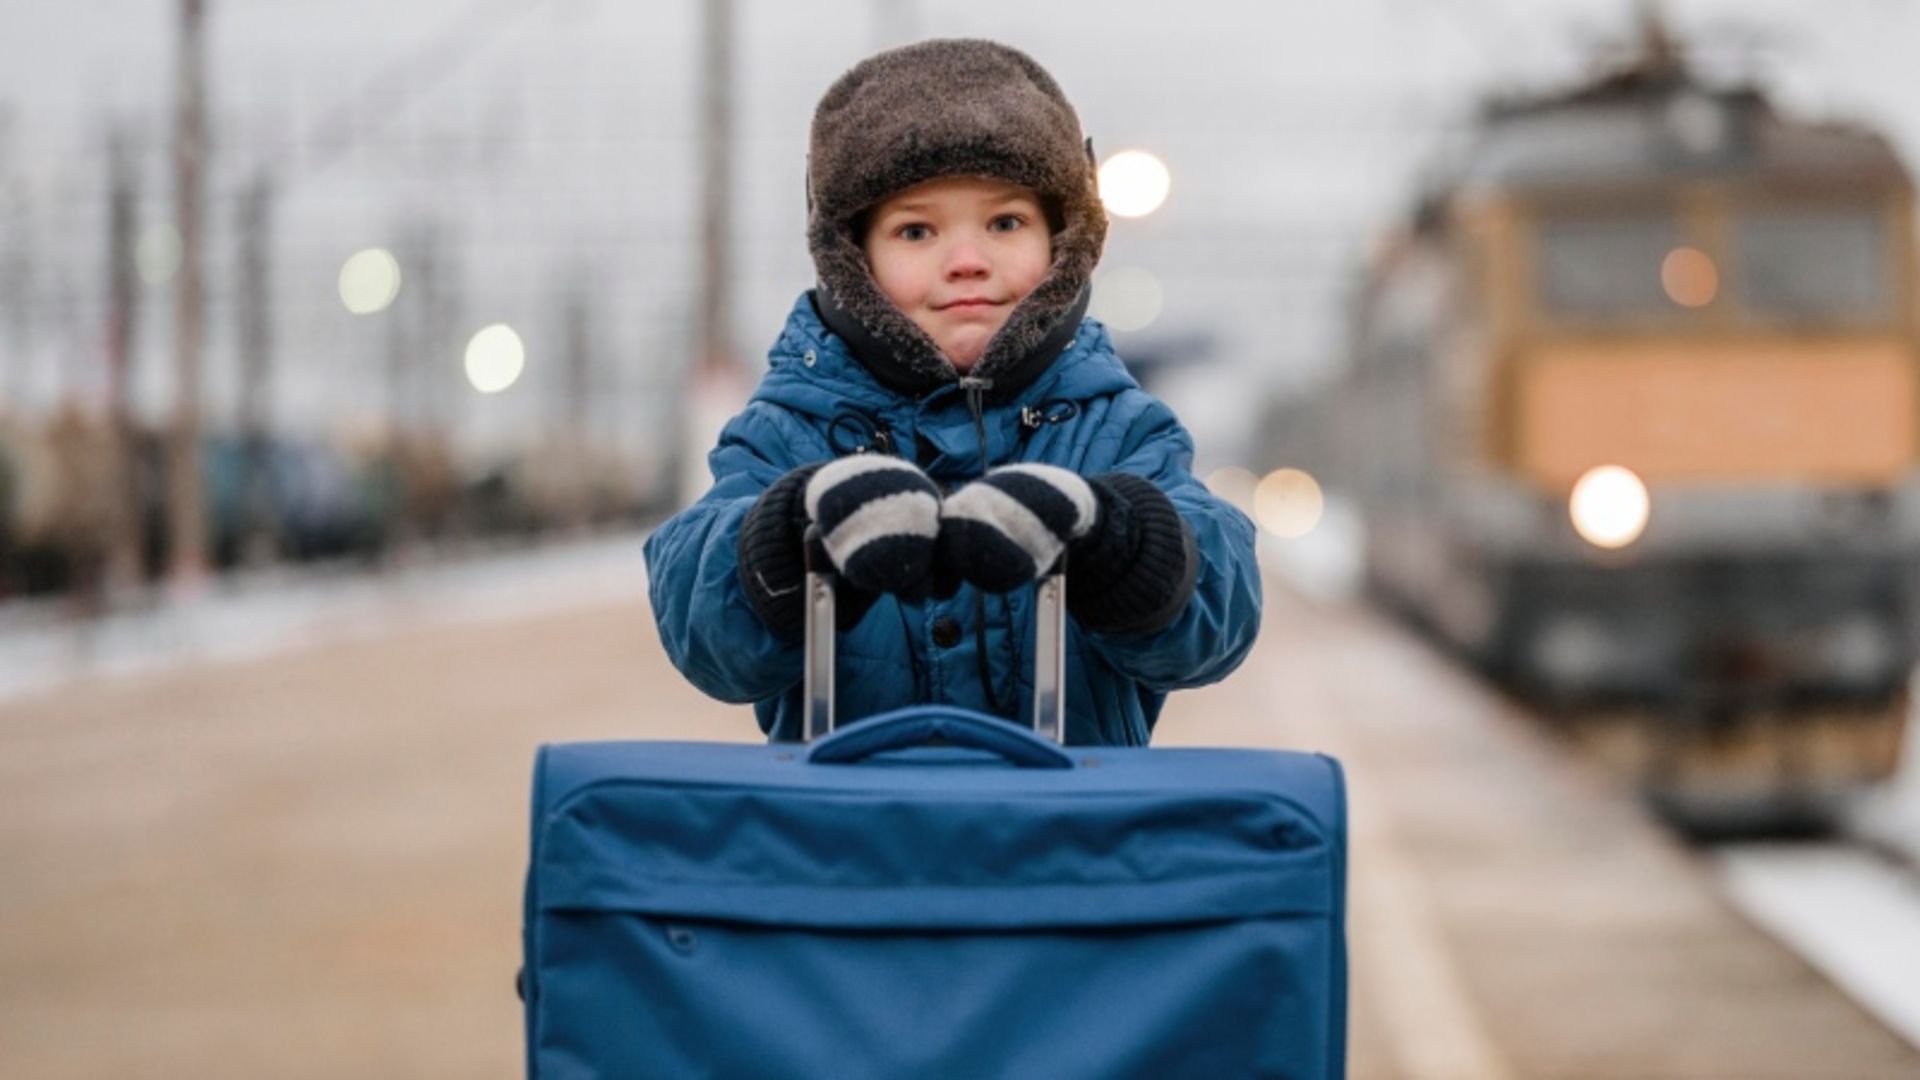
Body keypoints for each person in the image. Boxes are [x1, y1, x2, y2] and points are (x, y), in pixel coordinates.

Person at [644, 38, 1260, 745]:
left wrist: (1120, 541)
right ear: (853, 261)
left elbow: (1221, 615)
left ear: (1064, 241)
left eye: (1005, 223)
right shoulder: (789, 429)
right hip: (848, 846)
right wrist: (784, 540)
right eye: (916, 230)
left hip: (1065, 844)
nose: (967, 262)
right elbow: (702, 628)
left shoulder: (1119, 429)